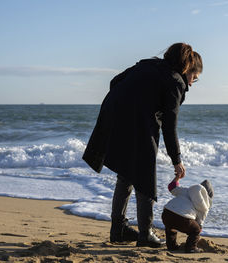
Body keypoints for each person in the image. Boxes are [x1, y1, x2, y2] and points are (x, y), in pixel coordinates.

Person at [82, 43, 203, 248]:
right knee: (145, 173)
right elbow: (169, 126)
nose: (191, 84)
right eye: (194, 77)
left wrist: (134, 104)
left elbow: (115, 82)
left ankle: (117, 228)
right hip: (136, 121)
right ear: (187, 69)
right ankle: (145, 233)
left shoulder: (148, 66)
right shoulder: (175, 82)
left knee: (127, 172)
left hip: (113, 115)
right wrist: (177, 160)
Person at [162, 177, 214, 253]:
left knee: (171, 227)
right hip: (183, 219)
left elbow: (171, 187)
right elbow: (200, 223)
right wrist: (198, 229)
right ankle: (191, 248)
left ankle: (171, 246)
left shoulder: (186, 190)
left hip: (167, 214)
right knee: (196, 230)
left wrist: (177, 177)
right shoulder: (205, 205)